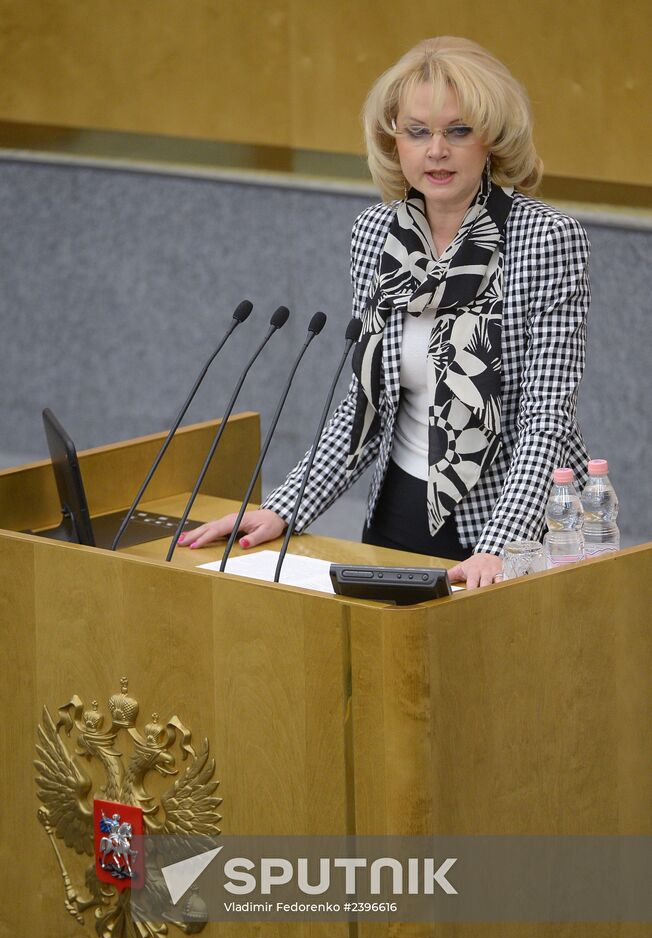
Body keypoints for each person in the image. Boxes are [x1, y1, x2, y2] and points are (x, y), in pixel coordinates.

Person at [179, 36, 590, 588]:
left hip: (505, 521)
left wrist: (500, 547)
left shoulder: (546, 239)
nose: (436, 150)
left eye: (458, 131)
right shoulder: (377, 236)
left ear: (491, 137)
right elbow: (366, 402)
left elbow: (547, 416)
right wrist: (284, 506)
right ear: (393, 140)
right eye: (417, 132)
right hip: (395, 512)